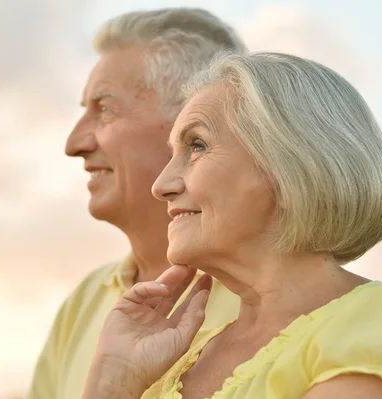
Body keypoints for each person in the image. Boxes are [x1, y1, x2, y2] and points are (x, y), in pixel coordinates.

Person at [82, 52, 382, 399]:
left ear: (291, 172)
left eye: (197, 146)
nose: (161, 185)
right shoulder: (181, 358)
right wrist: (114, 380)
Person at [29, 9, 248, 399]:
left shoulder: (282, 300)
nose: (74, 144)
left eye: (105, 108)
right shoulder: (85, 300)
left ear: (193, 120)